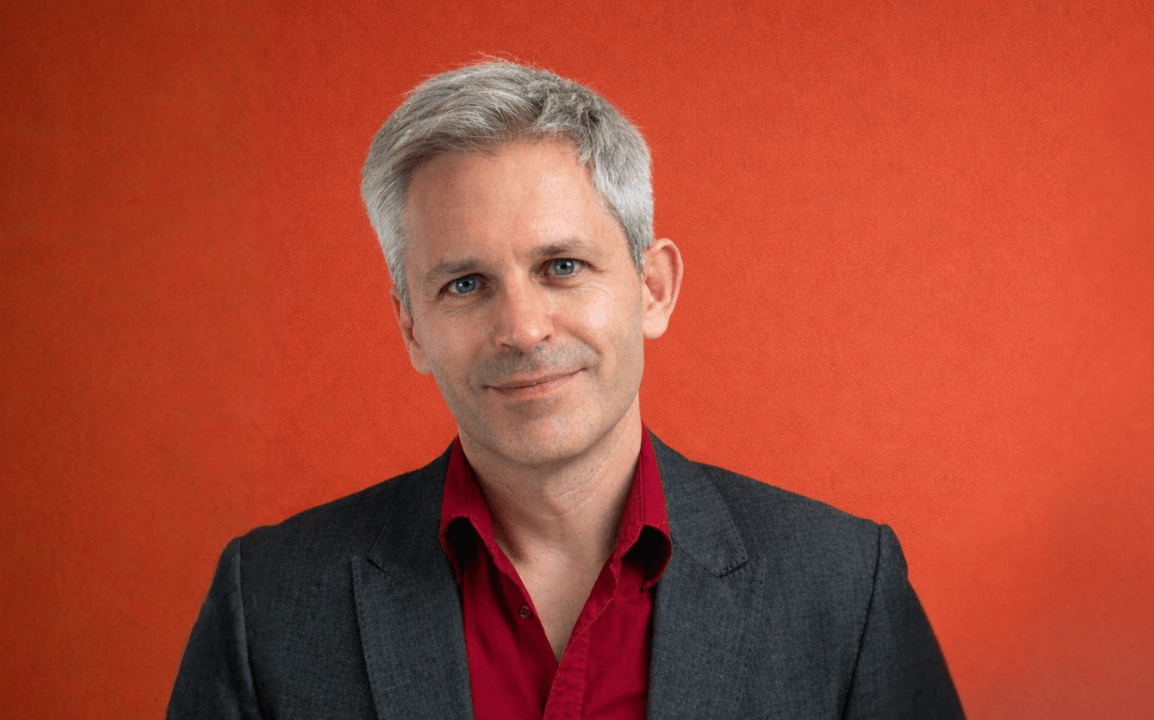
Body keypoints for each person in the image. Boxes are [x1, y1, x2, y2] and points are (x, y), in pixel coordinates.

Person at [168, 60, 964, 719]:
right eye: (467, 283)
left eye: (562, 267)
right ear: (411, 328)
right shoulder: (269, 606)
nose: (522, 327)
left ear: (652, 288)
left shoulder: (842, 587)